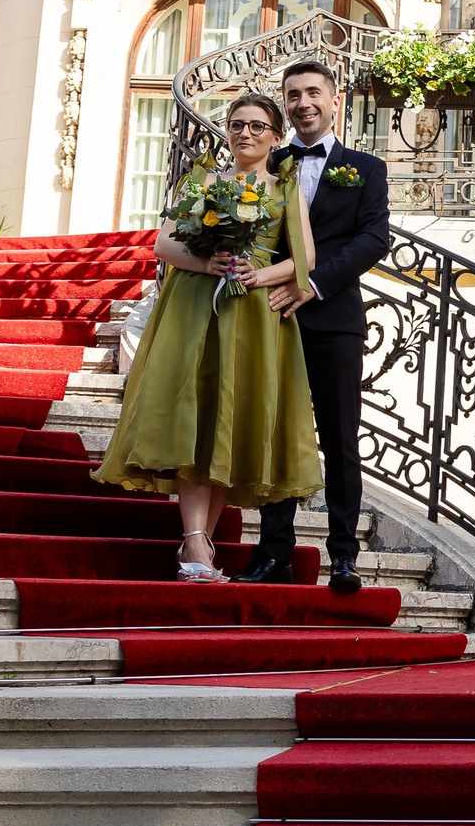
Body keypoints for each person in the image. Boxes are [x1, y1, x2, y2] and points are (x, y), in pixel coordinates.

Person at [95, 91, 321, 581]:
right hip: (194, 308)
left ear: (276, 137)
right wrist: (207, 261)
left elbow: (304, 260)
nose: (245, 133)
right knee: (191, 416)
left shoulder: (285, 190)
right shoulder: (203, 180)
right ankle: (195, 540)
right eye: (237, 124)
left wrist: (258, 276)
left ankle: (199, 544)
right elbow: (164, 244)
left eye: (258, 126)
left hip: (253, 317)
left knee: (229, 420)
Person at [234, 58, 393, 594]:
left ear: (334, 101)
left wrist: (313, 282)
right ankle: (273, 553)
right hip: (272, 317)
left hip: (334, 319)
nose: (303, 103)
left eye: (312, 93)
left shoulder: (366, 168)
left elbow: (372, 240)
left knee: (340, 438)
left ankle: (343, 557)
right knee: (275, 435)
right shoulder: (267, 162)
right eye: (293, 95)